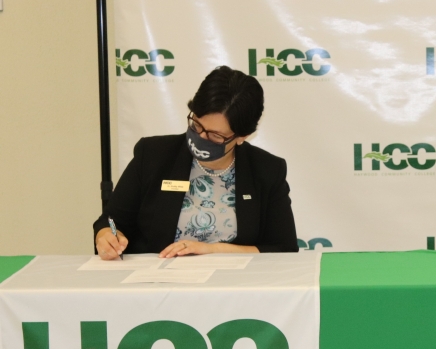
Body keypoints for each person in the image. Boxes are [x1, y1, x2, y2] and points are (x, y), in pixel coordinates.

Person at [94, 66, 298, 259]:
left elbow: (283, 249)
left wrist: (213, 250)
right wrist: (106, 236)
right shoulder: (153, 155)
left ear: (242, 136)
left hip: (235, 288)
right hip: (158, 285)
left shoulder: (267, 170)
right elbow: (111, 221)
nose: (200, 137)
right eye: (196, 125)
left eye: (216, 136)